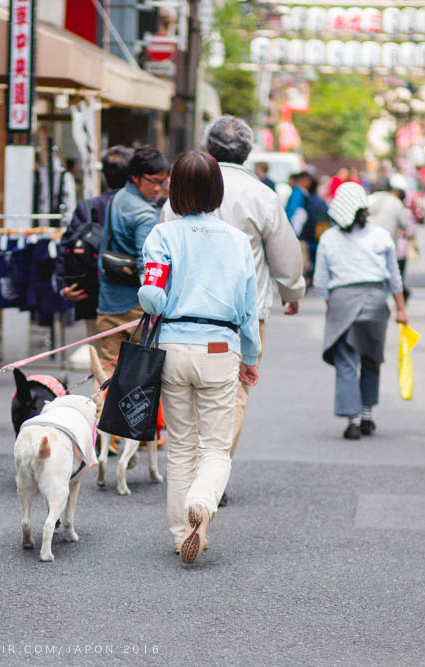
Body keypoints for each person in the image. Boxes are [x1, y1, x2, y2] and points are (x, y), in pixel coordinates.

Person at [160, 116, 303, 470]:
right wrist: (291, 291)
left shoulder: (178, 194)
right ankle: (214, 469)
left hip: (180, 316)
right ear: (248, 150)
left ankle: (190, 468)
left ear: (209, 146)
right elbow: (285, 254)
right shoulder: (261, 195)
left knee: (184, 395)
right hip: (242, 315)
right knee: (233, 396)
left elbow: (160, 254)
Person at [138, 150, 260, 564]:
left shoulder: (163, 236)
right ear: (215, 190)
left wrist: (154, 291)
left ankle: (180, 534)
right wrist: (251, 356)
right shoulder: (237, 241)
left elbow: (153, 298)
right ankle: (203, 504)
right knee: (214, 449)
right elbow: (248, 307)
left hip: (172, 347)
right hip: (218, 347)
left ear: (176, 190)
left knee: (181, 447)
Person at [314, 182, 408, 440]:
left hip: (341, 300)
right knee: (371, 359)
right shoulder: (380, 236)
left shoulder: (329, 239)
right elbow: (394, 276)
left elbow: (321, 282)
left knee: (346, 362)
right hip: (376, 301)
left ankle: (352, 420)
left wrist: (331, 306)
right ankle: (367, 415)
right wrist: (400, 308)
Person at [95, 145, 169, 371]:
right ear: (135, 177)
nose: (157, 188)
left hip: (108, 301)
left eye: (162, 182)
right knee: (137, 380)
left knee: (108, 373)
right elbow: (145, 265)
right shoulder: (145, 214)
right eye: (152, 181)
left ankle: (101, 408)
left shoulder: (118, 198)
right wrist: (152, 310)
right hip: (135, 309)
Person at [54, 145, 134, 335]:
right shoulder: (142, 208)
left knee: (101, 361)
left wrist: (63, 287)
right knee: (134, 362)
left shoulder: (88, 208)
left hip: (92, 298)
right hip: (133, 300)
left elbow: (66, 247)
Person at [368, 174, 415, 300]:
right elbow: (406, 225)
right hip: (388, 245)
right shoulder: (395, 203)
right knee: (390, 275)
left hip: (366, 246)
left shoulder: (366, 201)